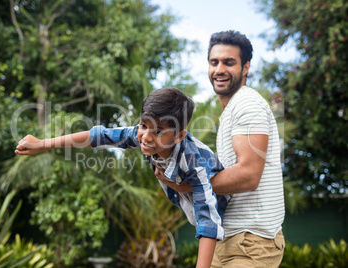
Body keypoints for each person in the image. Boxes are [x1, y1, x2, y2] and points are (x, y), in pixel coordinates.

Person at [15, 87, 231, 268]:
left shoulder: (194, 161)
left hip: (227, 217)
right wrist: (42, 143)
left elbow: (208, 220)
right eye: (143, 125)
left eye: (157, 132)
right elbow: (97, 136)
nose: (146, 137)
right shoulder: (141, 136)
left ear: (179, 135)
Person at [155, 31, 285, 267]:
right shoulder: (231, 110)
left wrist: (185, 186)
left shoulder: (247, 103)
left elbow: (248, 175)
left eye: (229, 62)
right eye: (214, 62)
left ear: (246, 67)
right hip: (228, 239)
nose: (219, 69)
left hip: (250, 242)